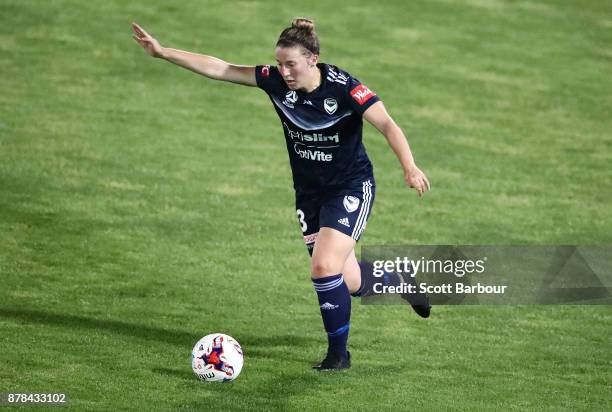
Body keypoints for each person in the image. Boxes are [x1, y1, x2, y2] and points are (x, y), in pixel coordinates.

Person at [132, 18, 431, 371]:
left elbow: (387, 124)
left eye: (291, 64)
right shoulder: (275, 83)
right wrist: (163, 52)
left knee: (322, 268)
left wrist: (409, 167)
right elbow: (222, 68)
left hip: (349, 187)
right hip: (309, 194)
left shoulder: (344, 88)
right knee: (349, 281)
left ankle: (339, 356)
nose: (284, 71)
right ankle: (401, 279)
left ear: (313, 59)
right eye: (279, 63)